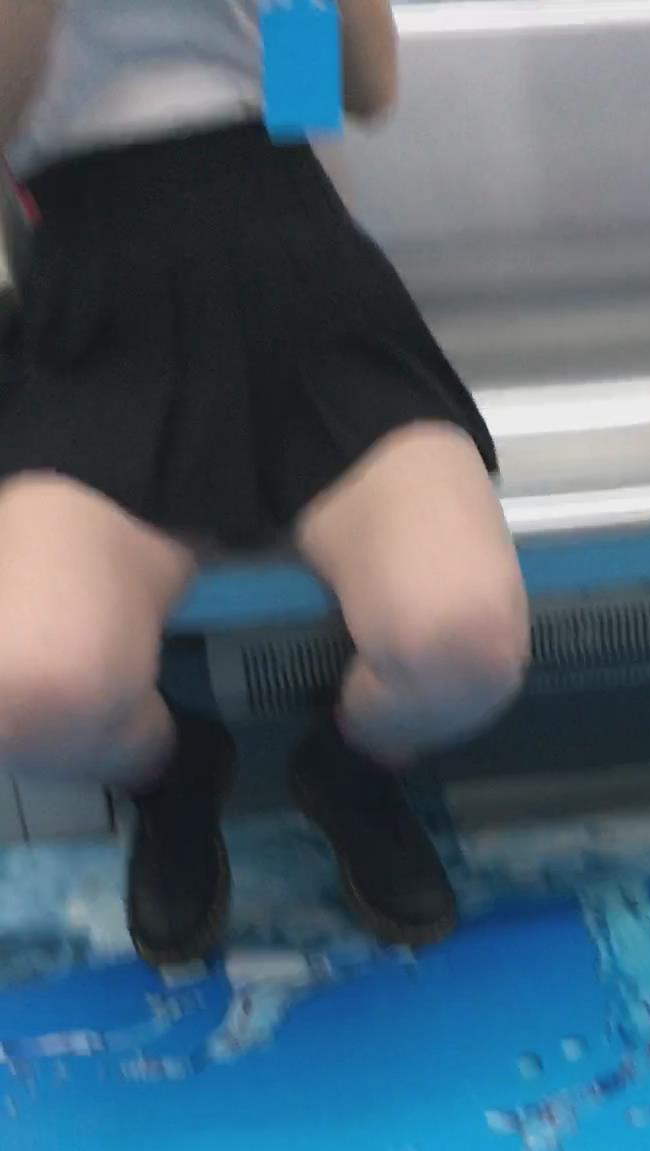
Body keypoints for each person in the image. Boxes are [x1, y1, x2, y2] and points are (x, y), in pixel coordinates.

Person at [0, 0, 530, 966]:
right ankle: (172, 777)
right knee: (35, 689)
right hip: (94, 290)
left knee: (464, 641)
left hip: (296, 251)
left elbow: (349, 92)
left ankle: (351, 769)